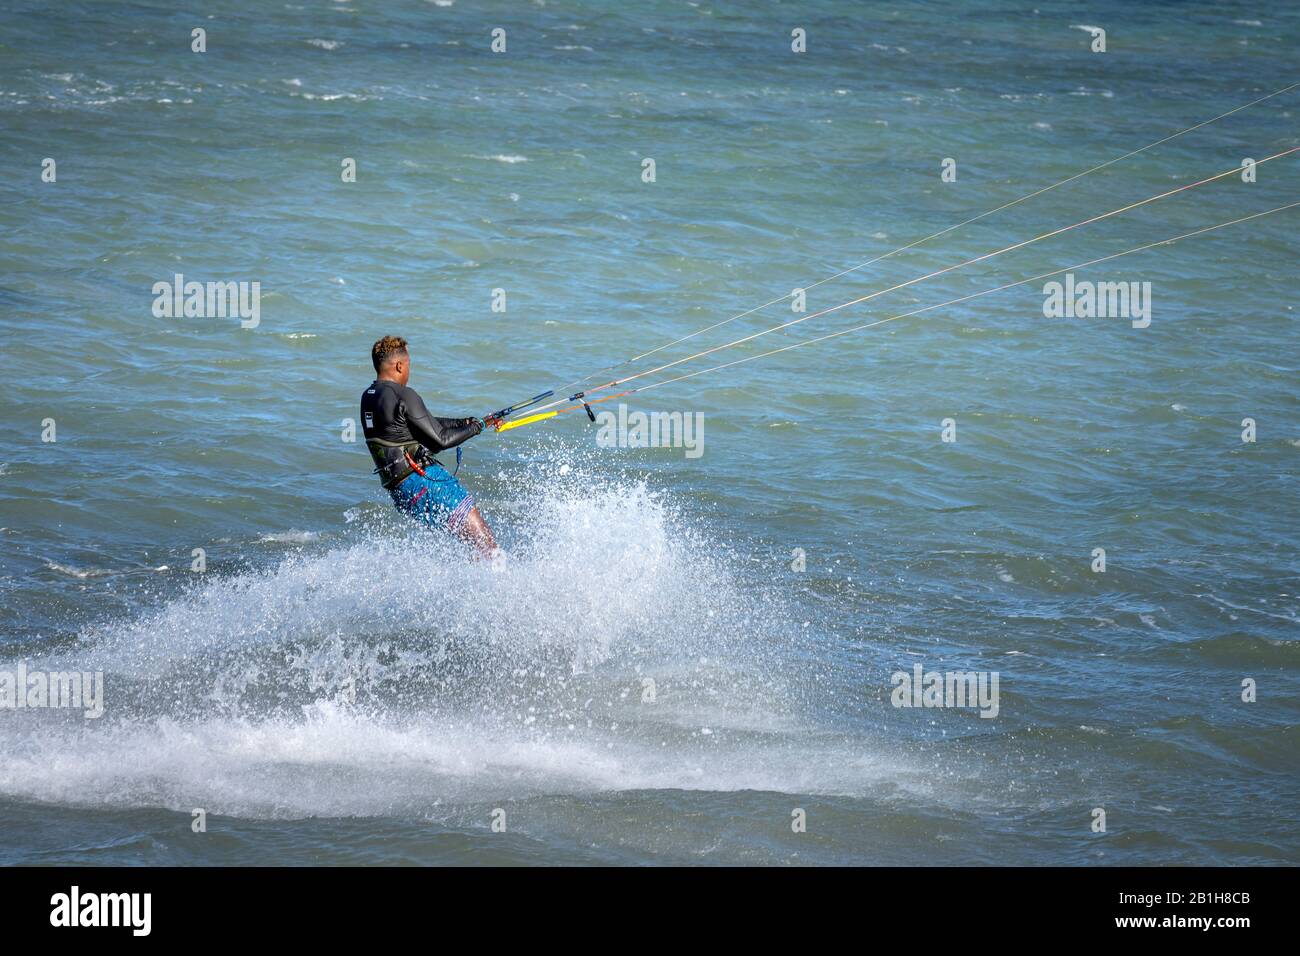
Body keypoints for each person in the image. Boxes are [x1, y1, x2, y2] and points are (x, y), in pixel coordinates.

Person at [360, 335, 497, 557]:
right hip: (424, 481)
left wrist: (464, 423)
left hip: (402, 492)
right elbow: (439, 440)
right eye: (409, 366)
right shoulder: (403, 394)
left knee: (472, 546)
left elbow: (425, 423)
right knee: (488, 547)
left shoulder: (369, 396)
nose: (408, 372)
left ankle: (478, 587)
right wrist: (478, 427)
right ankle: (503, 584)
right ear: (399, 365)